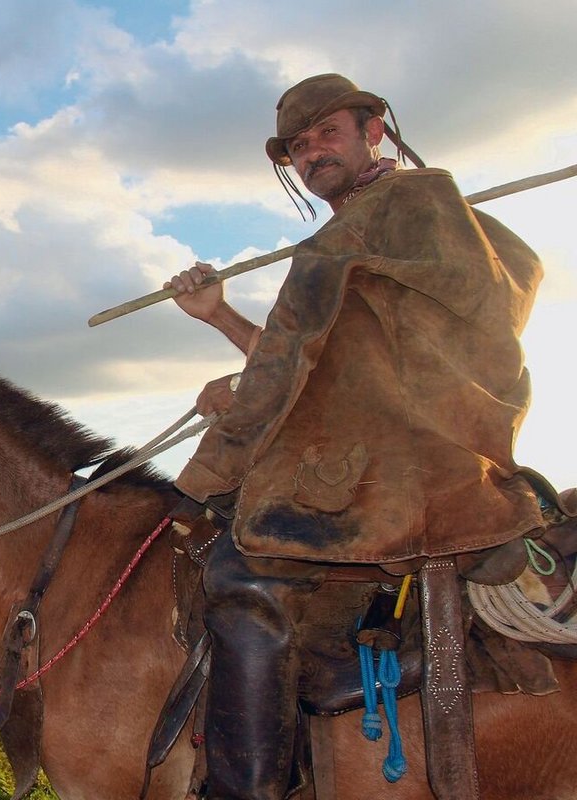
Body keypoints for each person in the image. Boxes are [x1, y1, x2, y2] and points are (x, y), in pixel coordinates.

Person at [164, 75, 545, 798]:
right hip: (397, 455)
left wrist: (207, 474)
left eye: (327, 133)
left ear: (374, 132)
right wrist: (218, 315)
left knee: (244, 576)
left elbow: (301, 364)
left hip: (404, 469)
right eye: (298, 147)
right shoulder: (384, 229)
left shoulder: (393, 215)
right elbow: (322, 362)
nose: (312, 153)